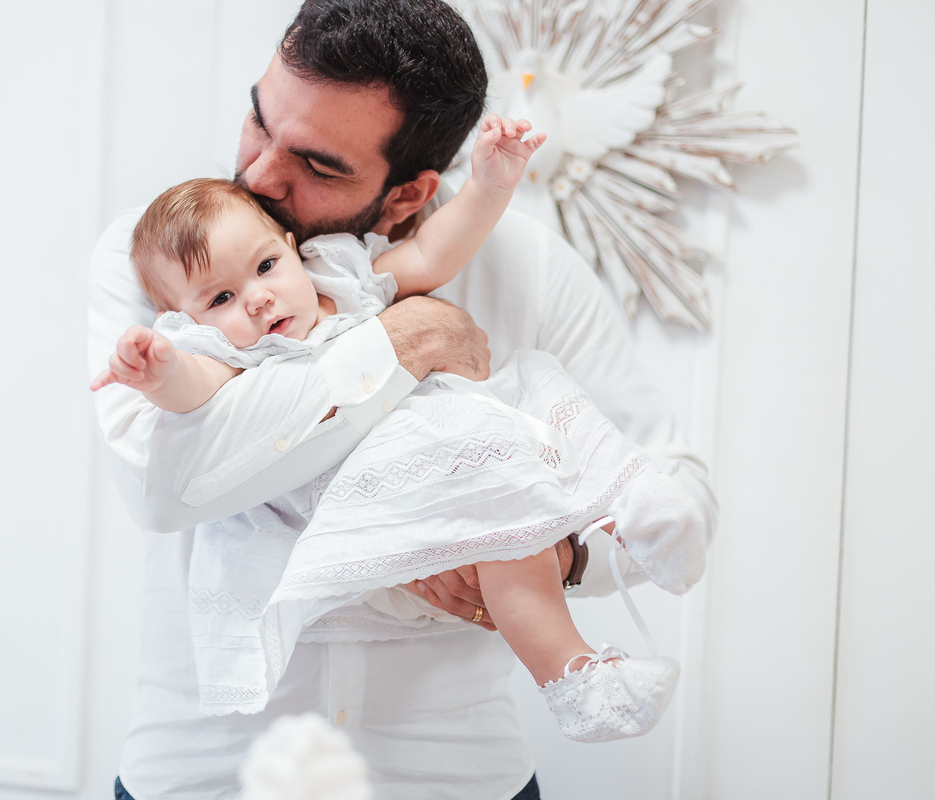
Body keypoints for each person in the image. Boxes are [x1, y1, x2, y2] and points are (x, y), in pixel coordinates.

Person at [87, 1, 717, 797]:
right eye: (258, 119)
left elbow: (678, 479)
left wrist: (551, 555)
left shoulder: (521, 262)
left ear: (405, 194)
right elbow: (165, 483)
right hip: (207, 775)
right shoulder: (163, 257)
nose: (257, 177)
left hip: (455, 774)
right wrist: (403, 342)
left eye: (317, 165)